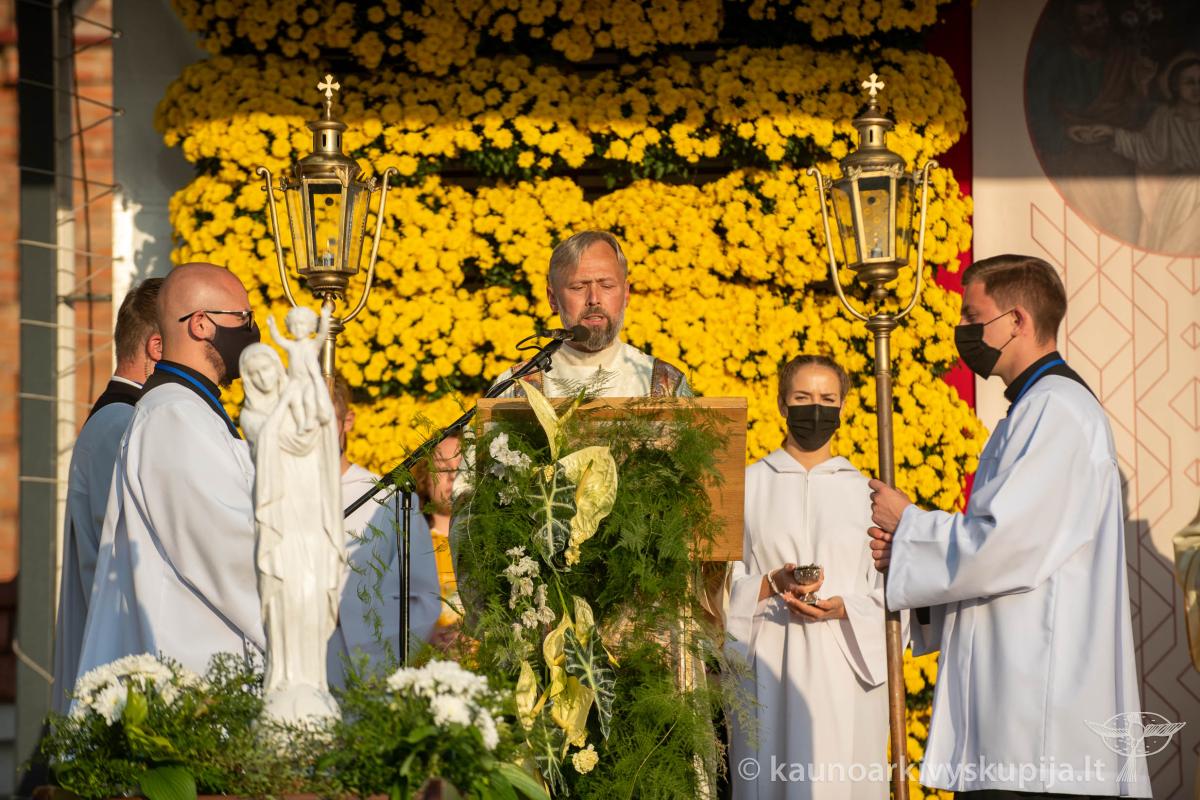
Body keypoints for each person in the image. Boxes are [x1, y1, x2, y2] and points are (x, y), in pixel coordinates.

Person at [867, 254, 1151, 798]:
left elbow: (1005, 545)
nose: (963, 331)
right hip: (1013, 707)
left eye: (973, 318)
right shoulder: (1032, 409)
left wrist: (909, 526)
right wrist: (911, 556)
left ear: (1017, 320)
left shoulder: (1055, 410)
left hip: (1038, 721)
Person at [74, 262, 264, 683]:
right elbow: (226, 553)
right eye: (243, 318)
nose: (252, 331)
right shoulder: (175, 416)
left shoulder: (190, 411)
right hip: (192, 672)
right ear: (201, 324)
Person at [727, 355, 886, 800]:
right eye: (802, 397)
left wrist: (846, 608)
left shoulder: (869, 494)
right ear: (782, 404)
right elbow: (715, 587)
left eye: (827, 399)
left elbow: (893, 595)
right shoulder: (746, 487)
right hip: (768, 665)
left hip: (845, 671)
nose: (815, 408)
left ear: (842, 407)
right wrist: (770, 583)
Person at [51, 277, 163, 713]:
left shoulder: (125, 419)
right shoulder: (121, 424)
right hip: (121, 675)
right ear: (157, 348)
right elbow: (124, 556)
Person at [327, 374, 440, 686]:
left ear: (347, 421)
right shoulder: (278, 496)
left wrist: (343, 613)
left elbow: (421, 600)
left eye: (325, 420)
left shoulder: (388, 500)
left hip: (355, 671)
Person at [493, 230, 691, 398]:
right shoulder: (514, 387)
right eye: (578, 287)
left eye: (607, 285)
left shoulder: (666, 384)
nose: (594, 299)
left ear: (626, 294)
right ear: (553, 298)